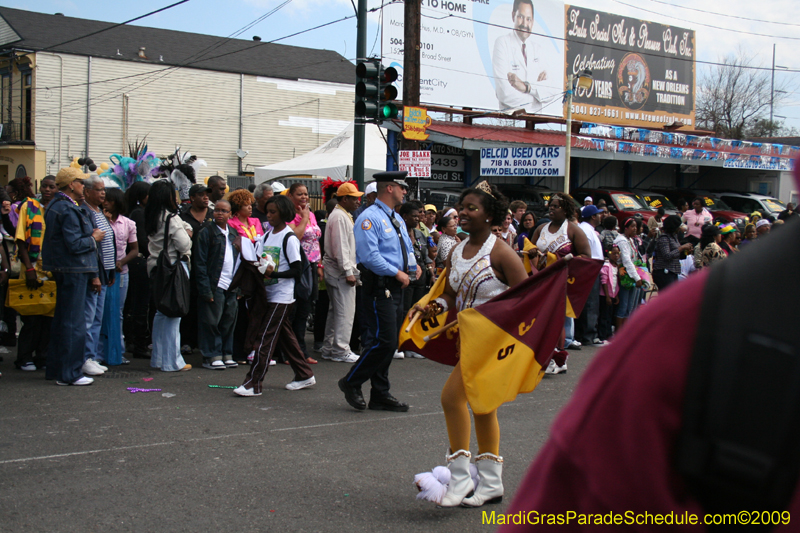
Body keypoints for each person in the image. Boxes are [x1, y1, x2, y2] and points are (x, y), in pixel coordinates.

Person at [409, 181, 528, 507]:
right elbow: (450, 294)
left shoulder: (502, 252)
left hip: (493, 345)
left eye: (471, 208)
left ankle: (460, 480)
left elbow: (528, 299)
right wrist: (432, 306)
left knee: (451, 398)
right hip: (468, 342)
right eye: (461, 207)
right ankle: (490, 484)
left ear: (490, 216)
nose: (462, 212)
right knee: (483, 407)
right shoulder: (458, 250)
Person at [338, 171, 419, 412]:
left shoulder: (396, 218)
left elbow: (406, 247)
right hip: (379, 287)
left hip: (396, 286)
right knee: (382, 341)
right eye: (401, 187)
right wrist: (396, 272)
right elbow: (369, 256)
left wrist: (413, 268)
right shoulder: (369, 218)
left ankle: (380, 393)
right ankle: (351, 381)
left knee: (389, 342)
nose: (405, 192)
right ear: (389, 188)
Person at [233, 195, 315, 395]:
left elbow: (297, 270)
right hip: (267, 294)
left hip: (282, 296)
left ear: (284, 214)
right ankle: (304, 374)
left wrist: (273, 273)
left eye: (273, 212)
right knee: (285, 336)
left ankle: (254, 383)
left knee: (265, 339)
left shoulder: (289, 238)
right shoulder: (267, 236)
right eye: (267, 211)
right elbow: (258, 260)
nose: (268, 215)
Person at [42, 167, 105, 386]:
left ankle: (58, 369)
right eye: (80, 182)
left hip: (68, 269)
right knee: (74, 324)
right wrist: (94, 238)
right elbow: (75, 244)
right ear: (71, 184)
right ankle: (70, 373)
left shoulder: (58, 206)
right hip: (73, 270)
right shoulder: (66, 209)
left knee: (63, 321)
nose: (83, 186)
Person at [529, 193, 591, 372]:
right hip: (541, 280)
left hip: (561, 280)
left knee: (557, 318)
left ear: (565, 209)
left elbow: (586, 256)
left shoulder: (572, 230)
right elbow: (530, 248)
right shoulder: (541, 229)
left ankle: (559, 357)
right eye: (550, 205)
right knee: (542, 318)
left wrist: (563, 260)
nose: (551, 208)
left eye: (556, 206)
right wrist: (532, 255)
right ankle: (545, 355)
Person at [145, 179, 193, 372]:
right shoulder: (171, 218)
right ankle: (173, 361)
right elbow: (183, 244)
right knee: (174, 312)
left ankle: (158, 358)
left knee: (161, 312)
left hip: (156, 267)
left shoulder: (152, 215)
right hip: (173, 268)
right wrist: (187, 233)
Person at [13, 175, 57, 371]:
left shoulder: (58, 209)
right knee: (30, 318)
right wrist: (29, 268)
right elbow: (21, 239)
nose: (47, 190)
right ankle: (23, 357)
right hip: (31, 268)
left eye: (52, 187)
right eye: (45, 186)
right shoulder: (29, 207)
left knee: (48, 318)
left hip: (51, 271)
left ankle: (43, 356)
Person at [194, 199, 240, 370]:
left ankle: (226, 352)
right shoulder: (206, 232)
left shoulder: (233, 233)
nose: (220, 213)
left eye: (224, 211)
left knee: (228, 319)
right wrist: (205, 289)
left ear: (230, 214)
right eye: (217, 210)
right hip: (215, 284)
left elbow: (238, 260)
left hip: (231, 284)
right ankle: (211, 355)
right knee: (212, 320)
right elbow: (200, 263)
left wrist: (238, 286)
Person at [321, 183, 363, 364]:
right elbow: (341, 247)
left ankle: (330, 348)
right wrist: (348, 271)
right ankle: (340, 349)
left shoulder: (340, 215)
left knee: (336, 311)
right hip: (339, 271)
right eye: (354, 198)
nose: (358, 201)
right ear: (344, 199)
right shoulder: (339, 216)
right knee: (345, 312)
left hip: (336, 270)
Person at [81, 175, 116, 373]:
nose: (103, 193)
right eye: (98, 189)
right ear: (87, 192)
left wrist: (110, 270)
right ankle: (85, 357)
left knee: (97, 318)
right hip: (94, 272)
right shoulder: (86, 212)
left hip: (105, 271)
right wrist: (95, 274)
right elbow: (91, 245)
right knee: (89, 316)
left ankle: (92, 356)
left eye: (104, 189)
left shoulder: (100, 212)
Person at [286, 183, 322, 365]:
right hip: (297, 266)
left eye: (306, 194)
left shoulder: (312, 215)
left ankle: (301, 350)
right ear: (291, 195)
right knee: (294, 311)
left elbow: (315, 240)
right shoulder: (288, 215)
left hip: (312, 266)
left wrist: (320, 264)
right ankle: (287, 352)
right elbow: (296, 236)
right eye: (299, 194)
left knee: (304, 311)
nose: (304, 197)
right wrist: (304, 218)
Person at [102, 187, 138, 365]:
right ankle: (100, 350)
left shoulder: (128, 223)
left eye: (109, 199)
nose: (105, 202)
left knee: (118, 312)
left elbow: (134, 250)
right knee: (100, 312)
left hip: (121, 273)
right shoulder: (99, 220)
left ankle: (117, 350)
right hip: (102, 272)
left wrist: (121, 262)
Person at [492, 0, 546, 112]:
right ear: (513, 16)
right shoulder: (502, 43)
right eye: (521, 17)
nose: (525, 24)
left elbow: (552, 92)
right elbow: (504, 93)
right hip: (509, 121)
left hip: (534, 122)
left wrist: (526, 88)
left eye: (528, 19)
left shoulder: (538, 50)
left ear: (533, 21)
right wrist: (537, 99)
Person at [179, 183, 214, 355]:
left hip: (209, 266)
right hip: (189, 265)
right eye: (201, 195)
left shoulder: (214, 215)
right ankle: (186, 340)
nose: (205, 197)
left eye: (207, 194)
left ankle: (203, 341)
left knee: (206, 305)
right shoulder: (182, 216)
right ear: (192, 198)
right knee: (189, 303)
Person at [400, 201, 434, 359]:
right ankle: (401, 343)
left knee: (418, 309)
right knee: (405, 310)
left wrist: (430, 269)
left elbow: (426, 254)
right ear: (404, 216)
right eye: (414, 216)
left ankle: (413, 344)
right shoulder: (398, 232)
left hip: (421, 276)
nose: (417, 219)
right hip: (406, 275)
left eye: (419, 216)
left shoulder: (420, 233)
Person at [123, 181, 151, 359]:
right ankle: (138, 343)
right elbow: (142, 241)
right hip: (139, 263)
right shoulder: (139, 214)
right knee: (140, 304)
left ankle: (132, 340)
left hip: (133, 263)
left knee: (131, 304)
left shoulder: (130, 212)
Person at [575, 205, 604, 346]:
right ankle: (588, 335)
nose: (600, 216)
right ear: (593, 216)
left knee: (591, 303)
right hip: (589, 267)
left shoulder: (589, 230)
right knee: (590, 303)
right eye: (598, 214)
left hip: (592, 267)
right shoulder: (585, 230)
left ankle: (588, 333)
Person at [614, 218, 644, 332]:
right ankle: (620, 333)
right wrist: (637, 277)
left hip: (632, 274)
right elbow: (626, 261)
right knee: (623, 306)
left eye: (636, 226)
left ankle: (626, 332)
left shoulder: (630, 240)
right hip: (626, 276)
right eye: (632, 226)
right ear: (625, 228)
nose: (635, 229)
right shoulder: (622, 241)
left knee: (630, 307)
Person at [652, 214, 692, 291]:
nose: (679, 229)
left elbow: (676, 255)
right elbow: (667, 256)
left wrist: (685, 252)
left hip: (673, 271)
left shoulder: (674, 237)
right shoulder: (664, 238)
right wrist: (681, 248)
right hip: (664, 272)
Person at [597, 245, 620, 344]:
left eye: (618, 253)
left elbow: (616, 283)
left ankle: (608, 335)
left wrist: (616, 295)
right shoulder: (606, 266)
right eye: (614, 253)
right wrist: (607, 296)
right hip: (605, 296)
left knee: (610, 316)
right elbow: (604, 281)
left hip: (613, 295)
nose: (616, 255)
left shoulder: (617, 267)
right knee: (604, 316)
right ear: (609, 254)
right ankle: (602, 336)